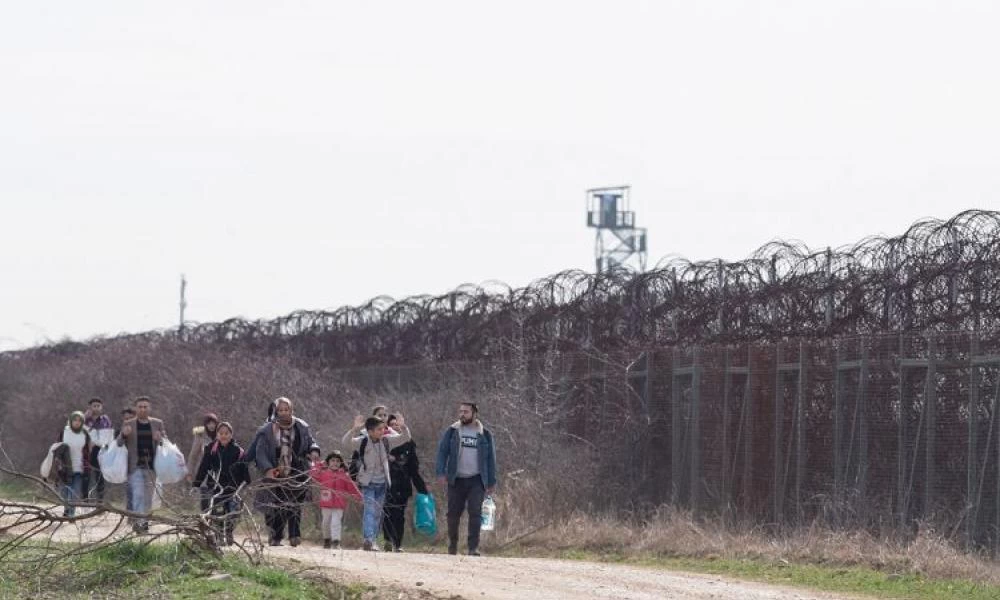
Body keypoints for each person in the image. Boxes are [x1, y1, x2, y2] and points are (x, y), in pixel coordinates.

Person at [342, 412, 411, 551]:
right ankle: (368, 539)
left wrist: (403, 427)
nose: (382, 431)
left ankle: (372, 540)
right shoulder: (363, 441)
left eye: (383, 429)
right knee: (369, 510)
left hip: (382, 483)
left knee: (378, 513)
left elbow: (405, 438)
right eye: (379, 429)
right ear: (370, 431)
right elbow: (345, 443)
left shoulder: (386, 440)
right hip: (368, 483)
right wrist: (354, 429)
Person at [435, 402, 497, 556]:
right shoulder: (452, 431)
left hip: (477, 479)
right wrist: (441, 473)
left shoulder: (485, 434)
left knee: (475, 513)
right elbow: (442, 452)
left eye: (466, 412)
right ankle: (453, 545)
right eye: (461, 411)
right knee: (453, 513)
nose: (462, 414)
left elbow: (491, 459)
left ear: (474, 413)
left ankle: (473, 547)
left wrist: (491, 481)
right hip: (456, 479)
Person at [252, 396, 314, 547]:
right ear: (276, 411)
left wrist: (314, 451)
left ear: (291, 410)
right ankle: (276, 535)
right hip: (276, 470)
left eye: (286, 409)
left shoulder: (301, 426)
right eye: (280, 410)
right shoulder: (267, 429)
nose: (284, 413)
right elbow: (260, 452)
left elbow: (310, 442)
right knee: (279, 504)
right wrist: (267, 469)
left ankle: (294, 535)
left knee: (295, 503)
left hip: (296, 468)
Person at [191, 422, 251, 546]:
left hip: (232, 487)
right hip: (216, 487)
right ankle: (219, 535)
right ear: (217, 434)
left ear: (231, 435)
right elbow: (204, 467)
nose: (224, 436)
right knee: (217, 512)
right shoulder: (211, 449)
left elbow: (244, 469)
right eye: (221, 433)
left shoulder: (238, 451)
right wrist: (196, 484)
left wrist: (247, 483)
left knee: (233, 512)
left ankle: (228, 532)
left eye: (226, 433)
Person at [115, 396, 166, 534]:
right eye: (140, 407)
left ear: (150, 408)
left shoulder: (157, 423)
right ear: (136, 409)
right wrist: (124, 435)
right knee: (138, 495)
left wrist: (160, 439)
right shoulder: (129, 423)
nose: (143, 409)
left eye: (145, 406)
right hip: (135, 466)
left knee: (148, 498)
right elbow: (119, 443)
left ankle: (143, 521)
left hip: (152, 466)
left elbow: (166, 444)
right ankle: (140, 523)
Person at [382, 413, 428, 552]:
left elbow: (414, 469)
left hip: (403, 484)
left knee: (399, 514)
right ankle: (387, 540)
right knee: (387, 513)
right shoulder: (383, 443)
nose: (395, 427)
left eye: (398, 425)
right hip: (386, 484)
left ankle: (397, 543)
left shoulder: (409, 445)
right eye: (392, 425)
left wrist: (421, 488)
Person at [310, 450, 362, 549]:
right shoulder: (323, 474)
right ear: (328, 462)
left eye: (338, 461)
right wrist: (321, 464)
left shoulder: (344, 476)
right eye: (332, 460)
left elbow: (352, 488)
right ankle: (327, 539)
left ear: (341, 463)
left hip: (339, 504)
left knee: (336, 522)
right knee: (326, 522)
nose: (335, 463)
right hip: (326, 503)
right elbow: (313, 473)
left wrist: (359, 497)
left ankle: (336, 541)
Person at [57, 411, 92, 517]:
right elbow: (57, 447)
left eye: (79, 421)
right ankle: (66, 508)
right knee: (65, 490)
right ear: (71, 421)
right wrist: (58, 461)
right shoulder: (64, 432)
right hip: (65, 466)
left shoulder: (85, 434)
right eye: (75, 420)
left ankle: (71, 513)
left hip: (79, 467)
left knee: (74, 491)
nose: (77, 423)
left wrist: (86, 465)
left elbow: (88, 450)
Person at [187, 413, 220, 512]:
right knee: (205, 498)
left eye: (213, 423)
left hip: (218, 472)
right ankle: (205, 521)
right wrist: (189, 472)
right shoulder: (200, 436)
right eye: (209, 423)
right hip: (204, 472)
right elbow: (193, 456)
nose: (211, 425)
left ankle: (215, 521)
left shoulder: (221, 434)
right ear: (205, 424)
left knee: (216, 498)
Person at [83, 398, 113, 502]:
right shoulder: (85, 419)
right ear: (90, 407)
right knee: (86, 474)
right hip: (86, 450)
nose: (96, 408)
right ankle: (84, 500)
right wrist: (84, 417)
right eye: (94, 406)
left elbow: (109, 435)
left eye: (98, 406)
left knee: (99, 475)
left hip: (100, 450)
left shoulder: (105, 419)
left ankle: (100, 500)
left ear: (102, 407)